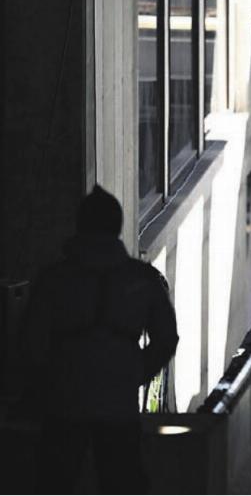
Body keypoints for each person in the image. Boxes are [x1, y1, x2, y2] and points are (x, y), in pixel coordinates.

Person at [24, 185, 179, 494]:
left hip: (64, 401)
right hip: (118, 404)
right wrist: (135, 371)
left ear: (79, 224)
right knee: (121, 478)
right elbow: (166, 338)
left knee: (55, 480)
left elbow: (31, 341)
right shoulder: (142, 278)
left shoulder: (54, 278)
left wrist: (47, 380)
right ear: (117, 226)